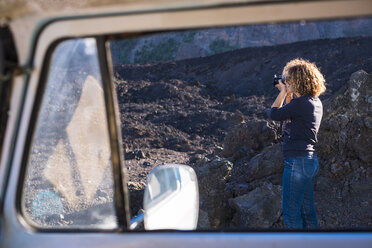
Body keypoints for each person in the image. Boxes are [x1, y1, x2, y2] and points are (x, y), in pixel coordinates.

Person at [269, 58, 326, 229]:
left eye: (289, 79)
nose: (287, 82)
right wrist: (288, 94)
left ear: (299, 81)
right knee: (307, 211)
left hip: (296, 163)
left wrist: (282, 92)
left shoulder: (301, 103)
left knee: (291, 214)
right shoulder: (313, 102)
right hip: (309, 161)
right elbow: (289, 114)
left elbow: (274, 114)